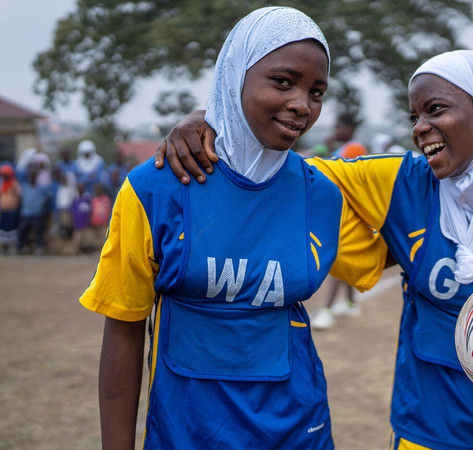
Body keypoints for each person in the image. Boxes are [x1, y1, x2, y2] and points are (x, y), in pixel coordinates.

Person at [158, 49, 473, 450]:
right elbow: (297, 173)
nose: (421, 129)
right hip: (423, 428)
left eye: (435, 110)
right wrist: (213, 119)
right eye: (414, 115)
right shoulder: (404, 182)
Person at [80, 8, 385, 448]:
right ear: (234, 75)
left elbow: (404, 248)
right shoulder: (157, 187)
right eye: (283, 81)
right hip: (186, 434)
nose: (302, 104)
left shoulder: (320, 193)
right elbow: (125, 330)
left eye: (316, 91)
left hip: (299, 431)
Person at [0, 163, 22, 254]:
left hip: (12, 211)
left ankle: (13, 247)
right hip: (4, 211)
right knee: (4, 229)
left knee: (12, 229)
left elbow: (20, 196)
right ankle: (5, 247)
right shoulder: (2, 184)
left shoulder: (14, 184)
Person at [70, 182, 92, 254]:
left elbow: (89, 211)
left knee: (87, 239)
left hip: (85, 223)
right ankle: (76, 250)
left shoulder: (87, 199)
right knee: (77, 238)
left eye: (82, 187)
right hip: (77, 223)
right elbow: (73, 211)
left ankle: (85, 250)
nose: (80, 189)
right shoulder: (75, 199)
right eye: (79, 187)